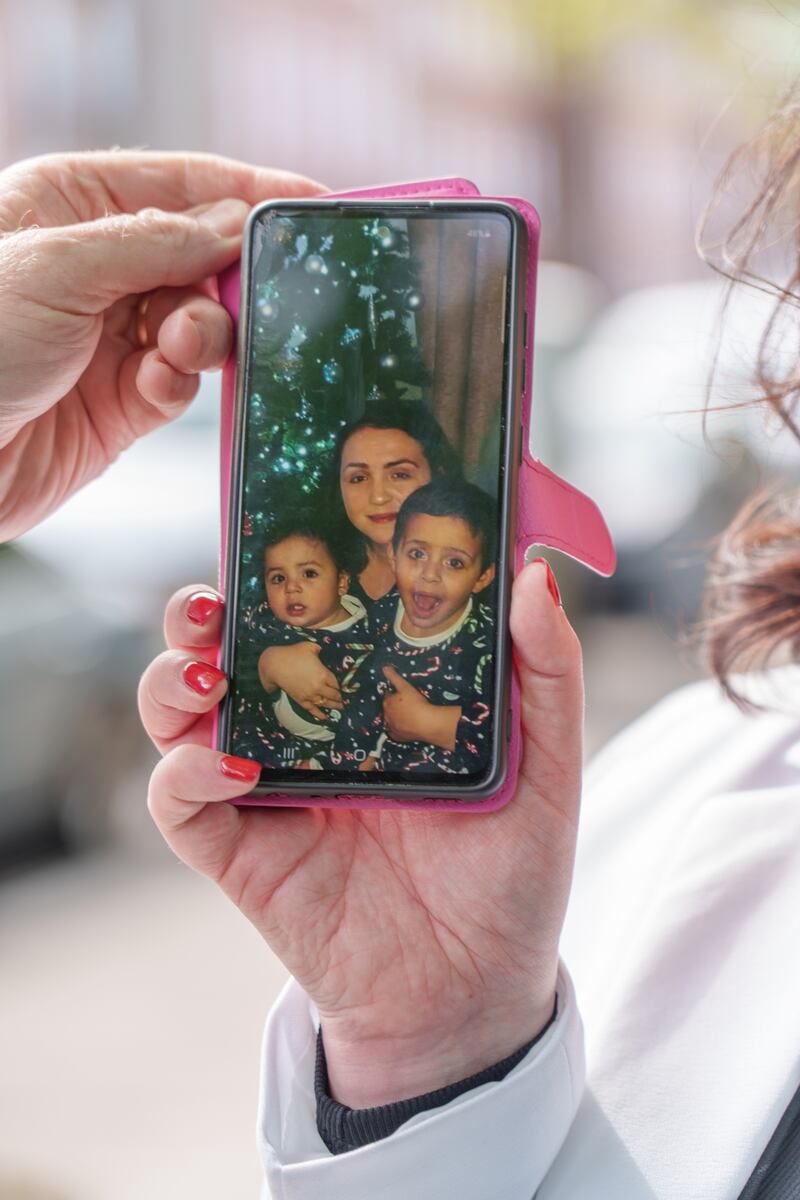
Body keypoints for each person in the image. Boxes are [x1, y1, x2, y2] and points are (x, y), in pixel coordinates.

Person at [138, 97, 800, 1199]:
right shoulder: (667, 788)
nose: (390, 517)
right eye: (359, 481)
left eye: (404, 483)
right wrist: (427, 1052)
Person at [335, 478, 498, 776]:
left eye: (454, 563)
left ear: (483, 577)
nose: (430, 574)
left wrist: (428, 722)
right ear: (393, 556)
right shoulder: (378, 617)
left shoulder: (488, 643)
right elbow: (355, 688)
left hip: (448, 799)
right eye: (417, 554)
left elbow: (505, 736)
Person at [232, 512, 375, 769]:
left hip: (341, 764)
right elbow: (234, 677)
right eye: (278, 578)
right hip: (267, 756)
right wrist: (266, 664)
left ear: (342, 581)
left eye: (308, 573)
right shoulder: (262, 627)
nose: (291, 588)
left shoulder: (375, 635)